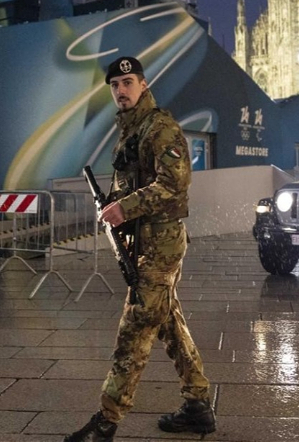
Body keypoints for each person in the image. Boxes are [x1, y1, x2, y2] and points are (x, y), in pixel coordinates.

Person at [65, 57, 215, 442]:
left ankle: (106, 421)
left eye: (128, 82)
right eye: (115, 85)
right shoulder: (131, 130)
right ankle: (198, 405)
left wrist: (124, 207)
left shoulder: (159, 128)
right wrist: (114, 203)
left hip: (161, 241)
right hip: (143, 240)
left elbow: (174, 185)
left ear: (143, 85)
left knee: (135, 327)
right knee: (166, 319)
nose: (121, 91)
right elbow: (133, 181)